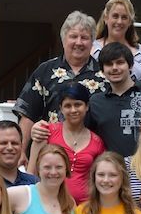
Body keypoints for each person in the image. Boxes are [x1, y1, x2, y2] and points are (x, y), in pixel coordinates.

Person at [13, 10, 108, 154]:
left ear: (92, 42)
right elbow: (28, 113)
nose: (79, 42)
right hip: (50, 155)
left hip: (90, 156)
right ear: (63, 40)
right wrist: (20, 152)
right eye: (73, 36)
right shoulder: (45, 71)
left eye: (84, 37)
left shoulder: (104, 74)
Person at [87, 42, 141, 157]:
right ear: (102, 70)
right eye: (109, 64)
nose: (115, 68)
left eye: (120, 62)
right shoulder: (96, 102)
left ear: (130, 65)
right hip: (113, 171)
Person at [28, 82, 105, 203]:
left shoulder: (97, 142)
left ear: (87, 106)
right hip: (49, 204)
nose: (73, 110)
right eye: (68, 106)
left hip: (85, 208)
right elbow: (31, 173)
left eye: (78, 104)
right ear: (61, 109)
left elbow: (100, 177)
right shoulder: (46, 132)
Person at [91, 0, 141, 86]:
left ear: (130, 22)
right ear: (106, 18)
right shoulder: (92, 49)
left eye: (124, 17)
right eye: (115, 16)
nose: (119, 21)